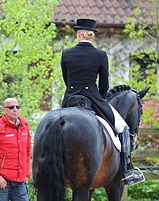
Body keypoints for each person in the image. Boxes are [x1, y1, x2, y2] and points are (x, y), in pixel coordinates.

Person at [61, 18, 144, 185]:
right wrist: (100, 96)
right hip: (94, 98)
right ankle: (127, 170)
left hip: (69, 99)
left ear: (78, 35)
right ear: (91, 36)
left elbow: (66, 79)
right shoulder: (100, 55)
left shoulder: (66, 53)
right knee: (123, 127)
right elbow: (104, 83)